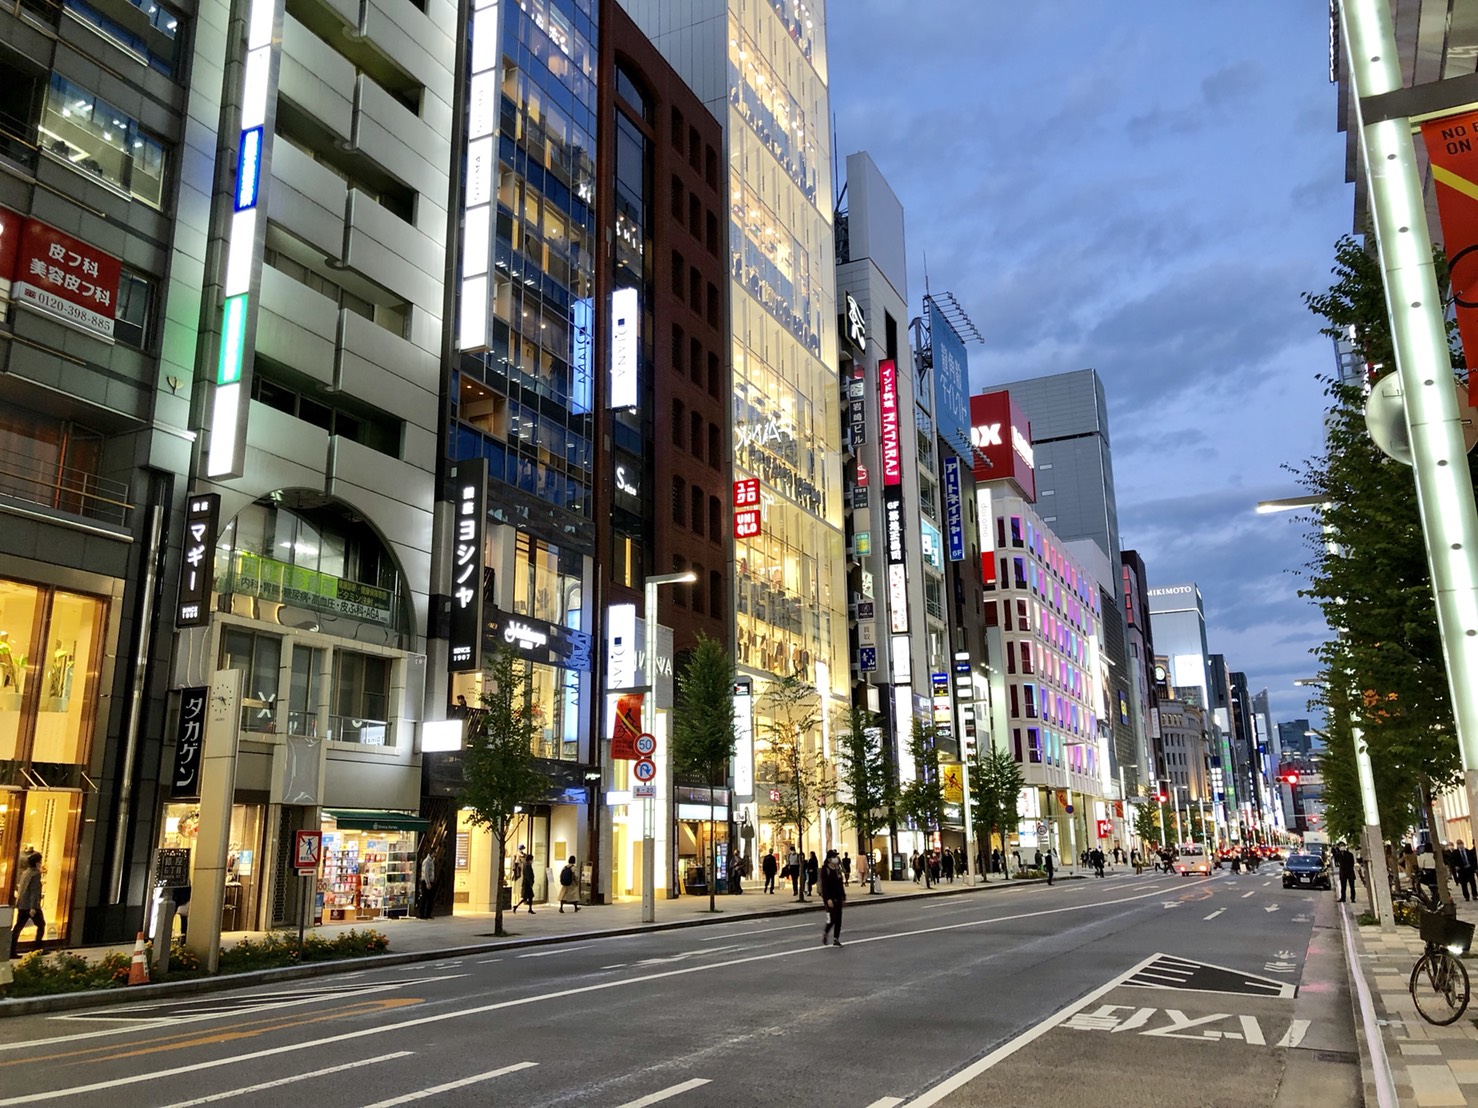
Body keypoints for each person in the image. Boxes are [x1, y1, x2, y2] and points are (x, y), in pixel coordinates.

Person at [10, 852, 43, 956]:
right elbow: (34, 891)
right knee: (41, 925)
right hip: (30, 905)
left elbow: (21, 888)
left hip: (22, 904)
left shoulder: (25, 872)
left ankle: (11, 950)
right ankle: (36, 948)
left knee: (18, 927)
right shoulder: (36, 874)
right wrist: (33, 907)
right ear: (37, 862)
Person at [819, 849, 846, 947]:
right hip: (829, 897)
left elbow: (840, 884)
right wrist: (828, 899)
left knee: (839, 918)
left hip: (838, 896)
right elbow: (824, 886)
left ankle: (836, 939)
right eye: (834, 857)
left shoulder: (837, 869)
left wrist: (843, 896)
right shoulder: (825, 869)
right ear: (829, 859)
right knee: (832, 918)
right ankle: (826, 932)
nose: (836, 859)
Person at [418, 851, 437, 919]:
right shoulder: (426, 861)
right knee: (424, 898)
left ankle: (428, 914)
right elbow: (425, 872)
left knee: (430, 899)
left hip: (431, 881)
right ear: (432, 853)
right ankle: (421, 914)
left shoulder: (431, 861)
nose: (436, 854)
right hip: (426, 882)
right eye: (435, 853)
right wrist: (427, 883)